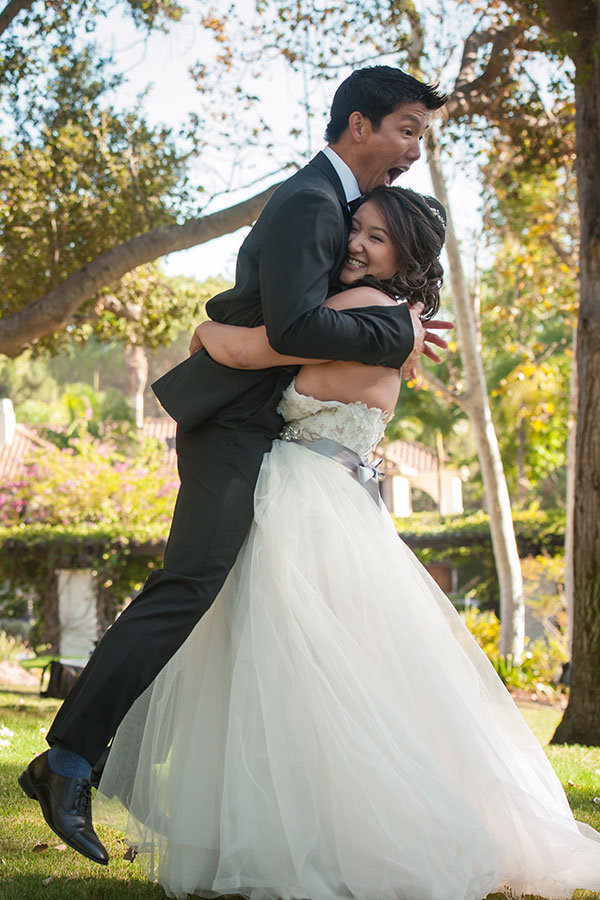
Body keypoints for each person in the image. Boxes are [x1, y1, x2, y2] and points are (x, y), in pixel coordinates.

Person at [96, 187, 600, 900]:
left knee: (283, 670)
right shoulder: (400, 322)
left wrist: (207, 332)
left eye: (377, 239)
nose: (357, 246)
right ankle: (320, 832)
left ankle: (299, 838)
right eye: (354, 231)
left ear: (406, 257)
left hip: (302, 498)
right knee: (327, 677)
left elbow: (233, 346)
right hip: (340, 501)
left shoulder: (354, 313)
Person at [18, 66, 452, 865]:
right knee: (188, 587)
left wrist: (224, 326)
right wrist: (396, 332)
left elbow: (257, 312)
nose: (412, 152)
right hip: (235, 428)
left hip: (269, 433)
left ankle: (117, 767)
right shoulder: (312, 201)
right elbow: (290, 323)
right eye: (408, 131)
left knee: (241, 615)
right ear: (360, 125)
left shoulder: (331, 206)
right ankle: (72, 759)